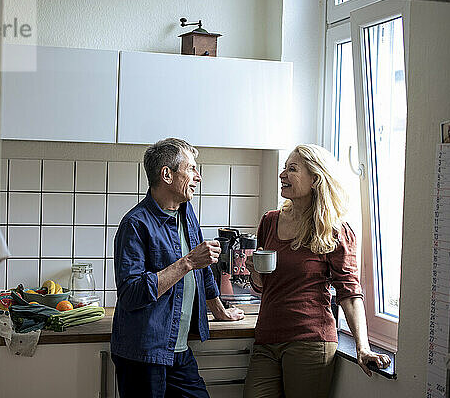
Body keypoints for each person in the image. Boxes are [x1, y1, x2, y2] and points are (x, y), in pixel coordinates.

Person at [243, 144, 391, 398]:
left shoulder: (334, 230)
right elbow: (263, 286)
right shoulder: (269, 221)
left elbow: (349, 291)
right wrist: (255, 273)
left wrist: (363, 348)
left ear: (314, 179)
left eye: (292, 169)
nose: (282, 175)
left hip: (310, 341)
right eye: (284, 168)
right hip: (266, 339)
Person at [111, 137, 245, 398]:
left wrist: (219, 311)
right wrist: (187, 262)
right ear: (167, 175)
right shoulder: (135, 225)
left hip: (178, 349)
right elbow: (131, 293)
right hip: (144, 353)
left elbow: (203, 269)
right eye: (192, 168)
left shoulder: (186, 212)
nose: (198, 177)